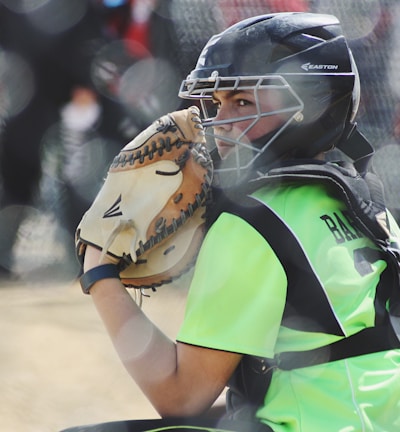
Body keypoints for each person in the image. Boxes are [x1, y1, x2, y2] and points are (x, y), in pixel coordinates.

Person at [77, 12, 400, 432]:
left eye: (243, 102)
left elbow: (182, 397)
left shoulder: (251, 224)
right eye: (218, 103)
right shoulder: (366, 201)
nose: (222, 122)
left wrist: (99, 270)